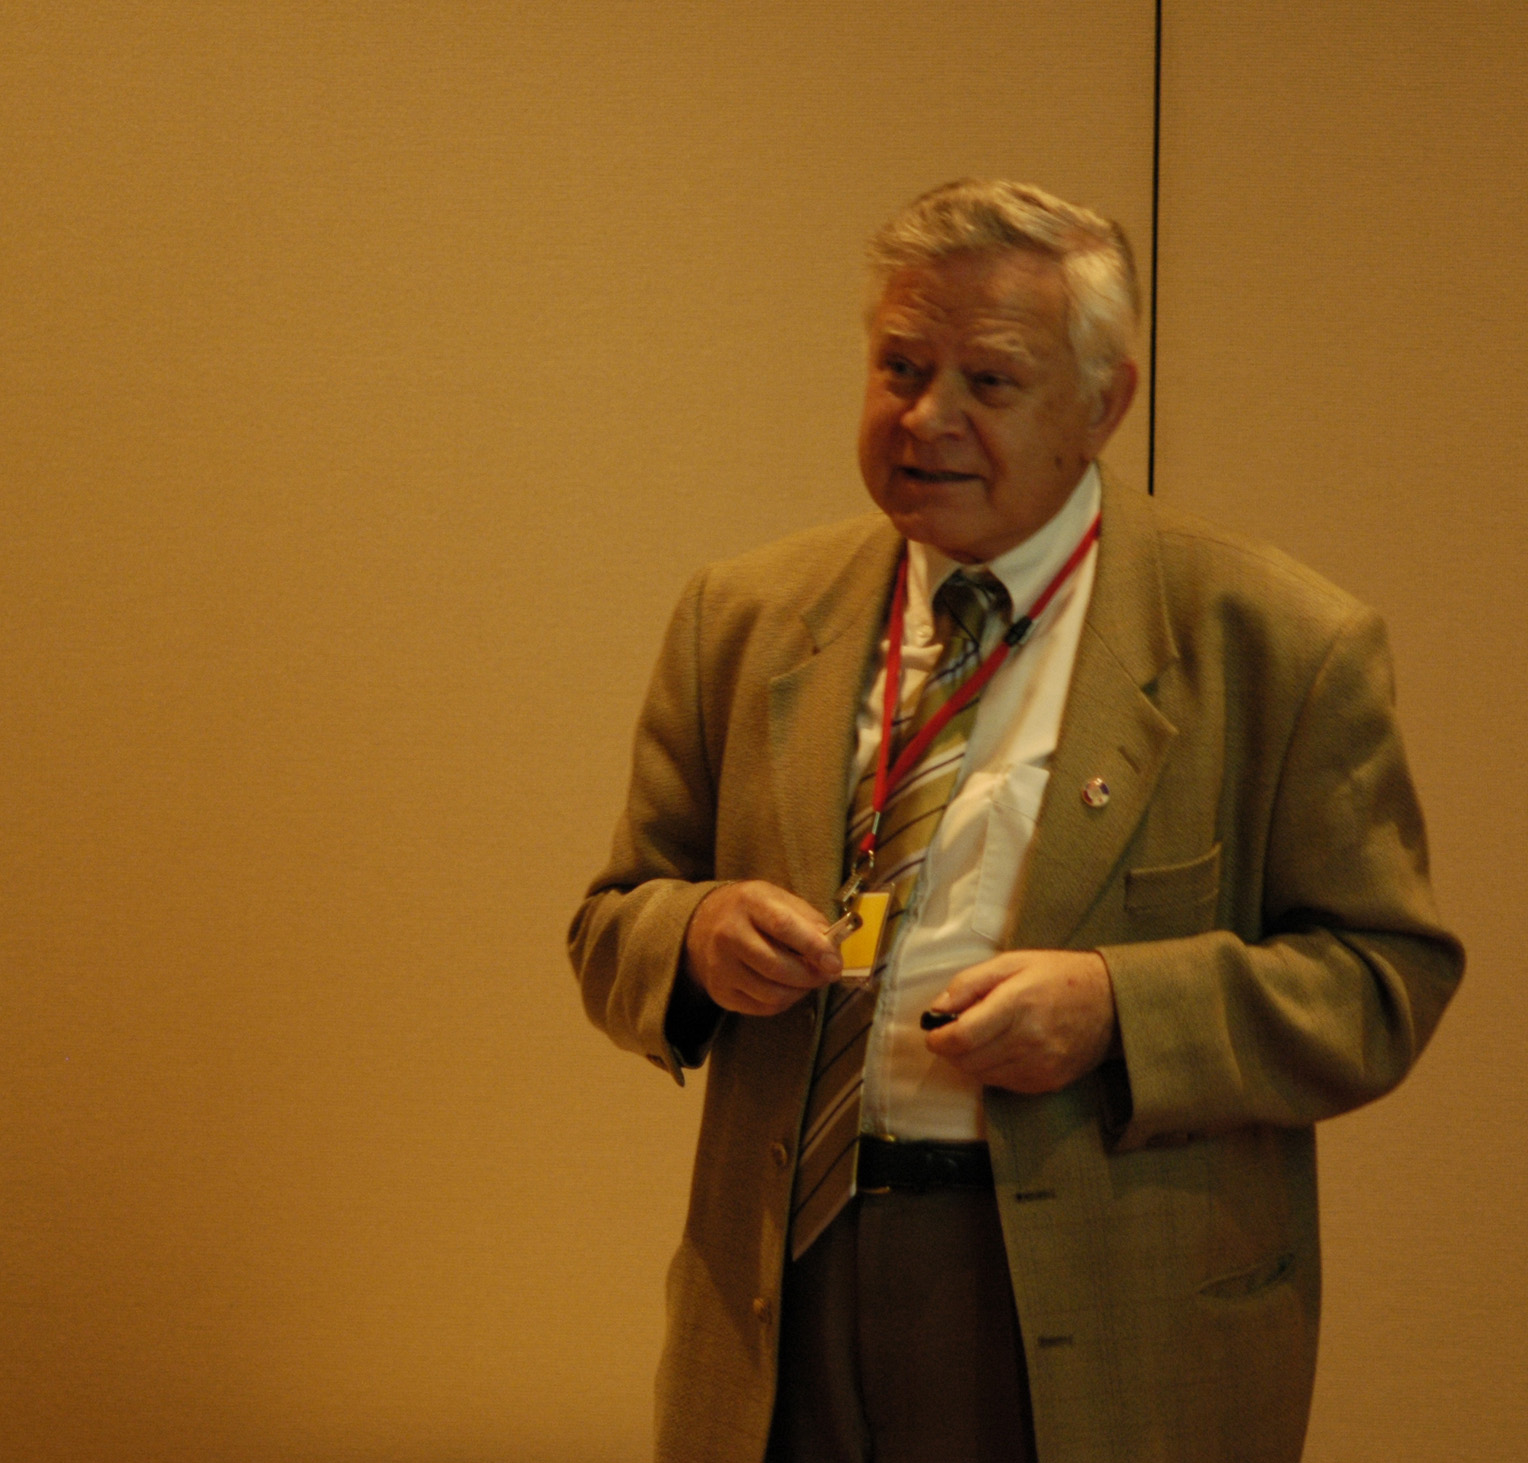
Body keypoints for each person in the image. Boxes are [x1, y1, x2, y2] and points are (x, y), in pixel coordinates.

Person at [569, 179, 1463, 1463]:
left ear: (1104, 403)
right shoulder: (746, 615)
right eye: (899, 367)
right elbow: (612, 920)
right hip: (781, 1286)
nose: (926, 417)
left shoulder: (1274, 642)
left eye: (988, 381)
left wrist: (1117, 1010)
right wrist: (696, 933)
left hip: (1099, 1300)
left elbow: (1382, 981)